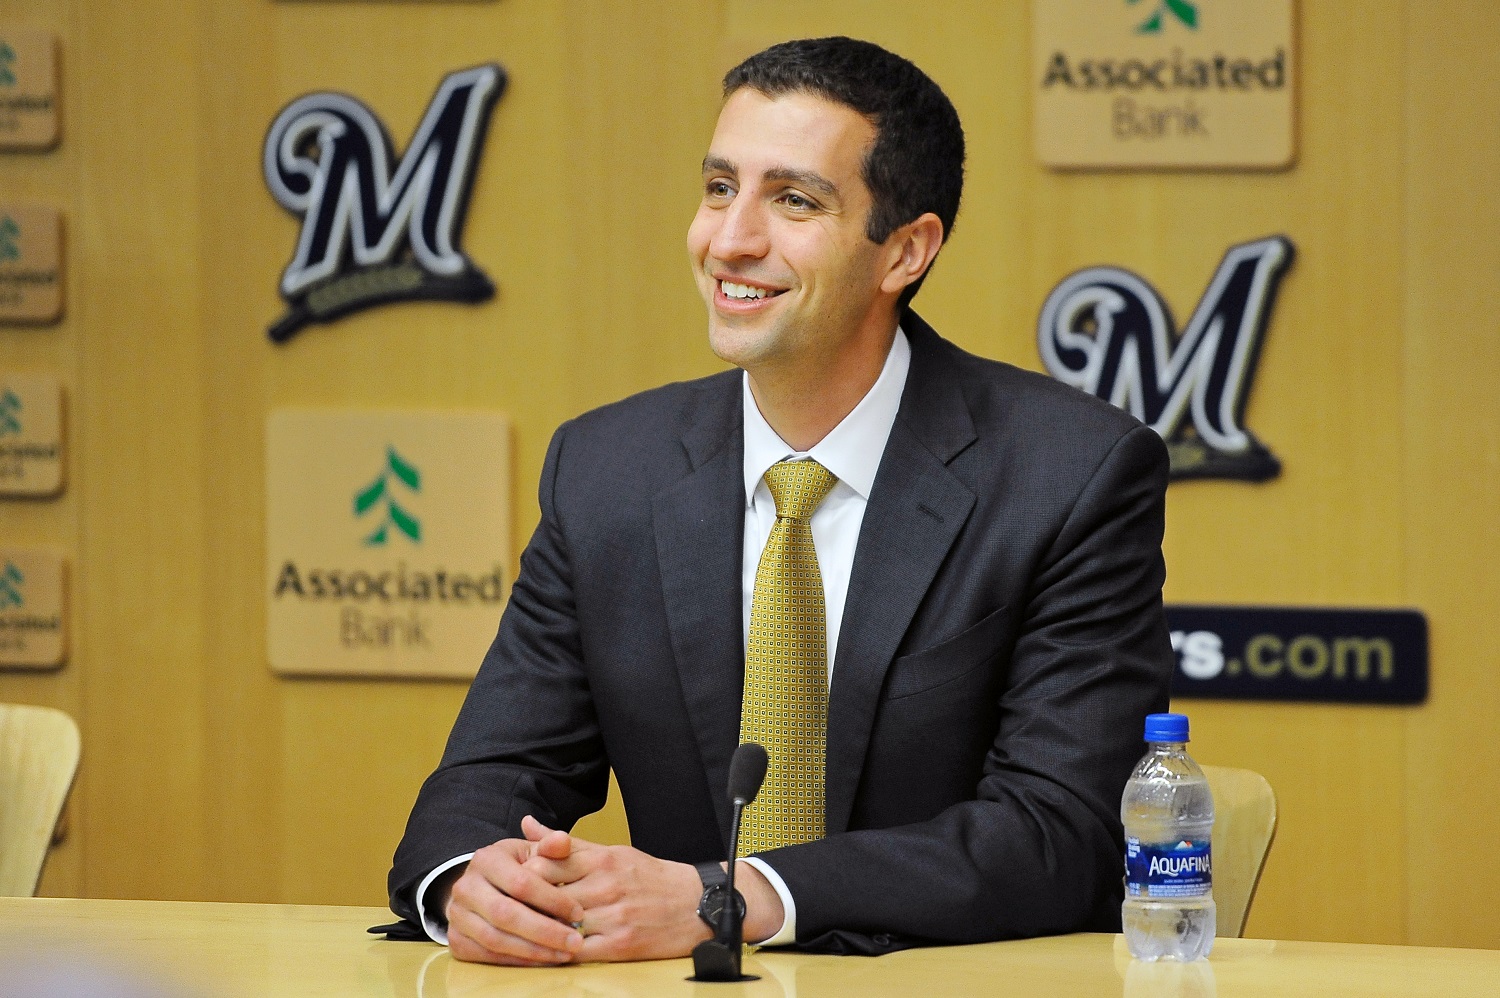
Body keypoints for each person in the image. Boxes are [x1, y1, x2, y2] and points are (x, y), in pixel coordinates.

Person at [388, 36, 1172, 965]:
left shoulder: (1069, 473)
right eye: (720, 188)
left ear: (905, 253)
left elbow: (1063, 834)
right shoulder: (605, 469)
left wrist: (736, 897)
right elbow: (490, 775)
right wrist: (477, 882)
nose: (729, 239)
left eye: (793, 200)